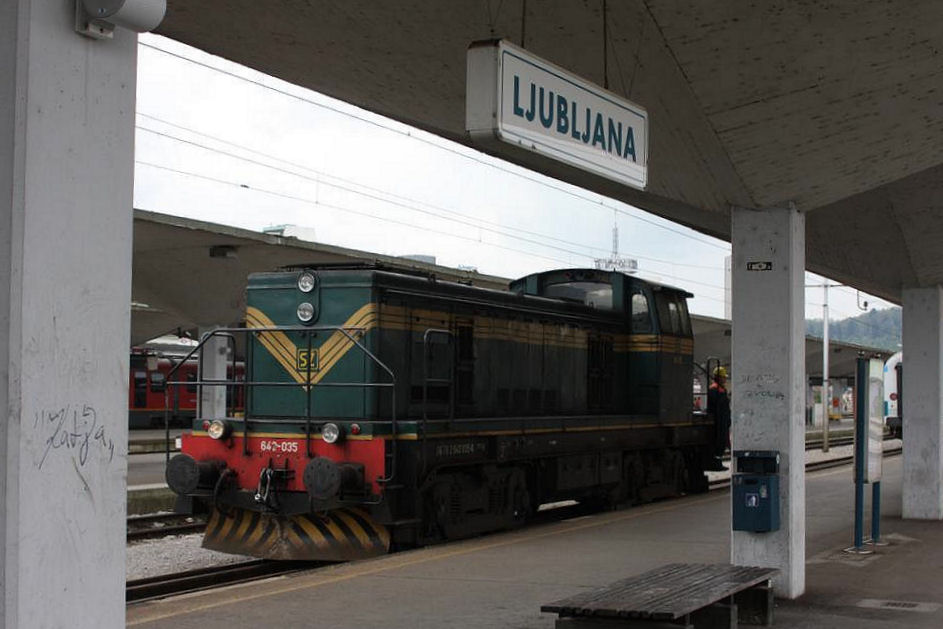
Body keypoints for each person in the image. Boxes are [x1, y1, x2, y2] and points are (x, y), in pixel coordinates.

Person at [706, 366, 731, 470]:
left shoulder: (720, 390)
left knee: (722, 442)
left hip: (723, 421)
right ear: (719, 377)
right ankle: (716, 464)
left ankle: (718, 463)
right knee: (719, 442)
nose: (725, 379)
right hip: (719, 421)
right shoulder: (715, 390)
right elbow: (718, 408)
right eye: (723, 377)